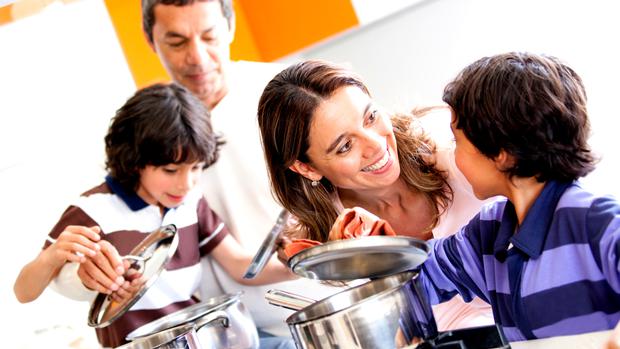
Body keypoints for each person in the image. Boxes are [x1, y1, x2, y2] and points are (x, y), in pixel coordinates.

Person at [13, 82, 296, 348]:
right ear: (135, 160)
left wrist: (296, 262)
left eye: (196, 167)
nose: (186, 183)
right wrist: (52, 256)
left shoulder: (191, 203)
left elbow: (240, 266)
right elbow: (23, 292)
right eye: (170, 171)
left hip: (198, 337)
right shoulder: (94, 208)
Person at [257, 59, 494, 330]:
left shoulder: (449, 145)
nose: (376, 145)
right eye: (345, 146)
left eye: (370, 117)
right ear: (306, 167)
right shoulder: (335, 242)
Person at [403, 52, 620, 341]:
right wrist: (371, 245)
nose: (453, 156)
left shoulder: (598, 223)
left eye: (457, 141)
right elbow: (415, 281)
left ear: (500, 152)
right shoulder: (487, 234)